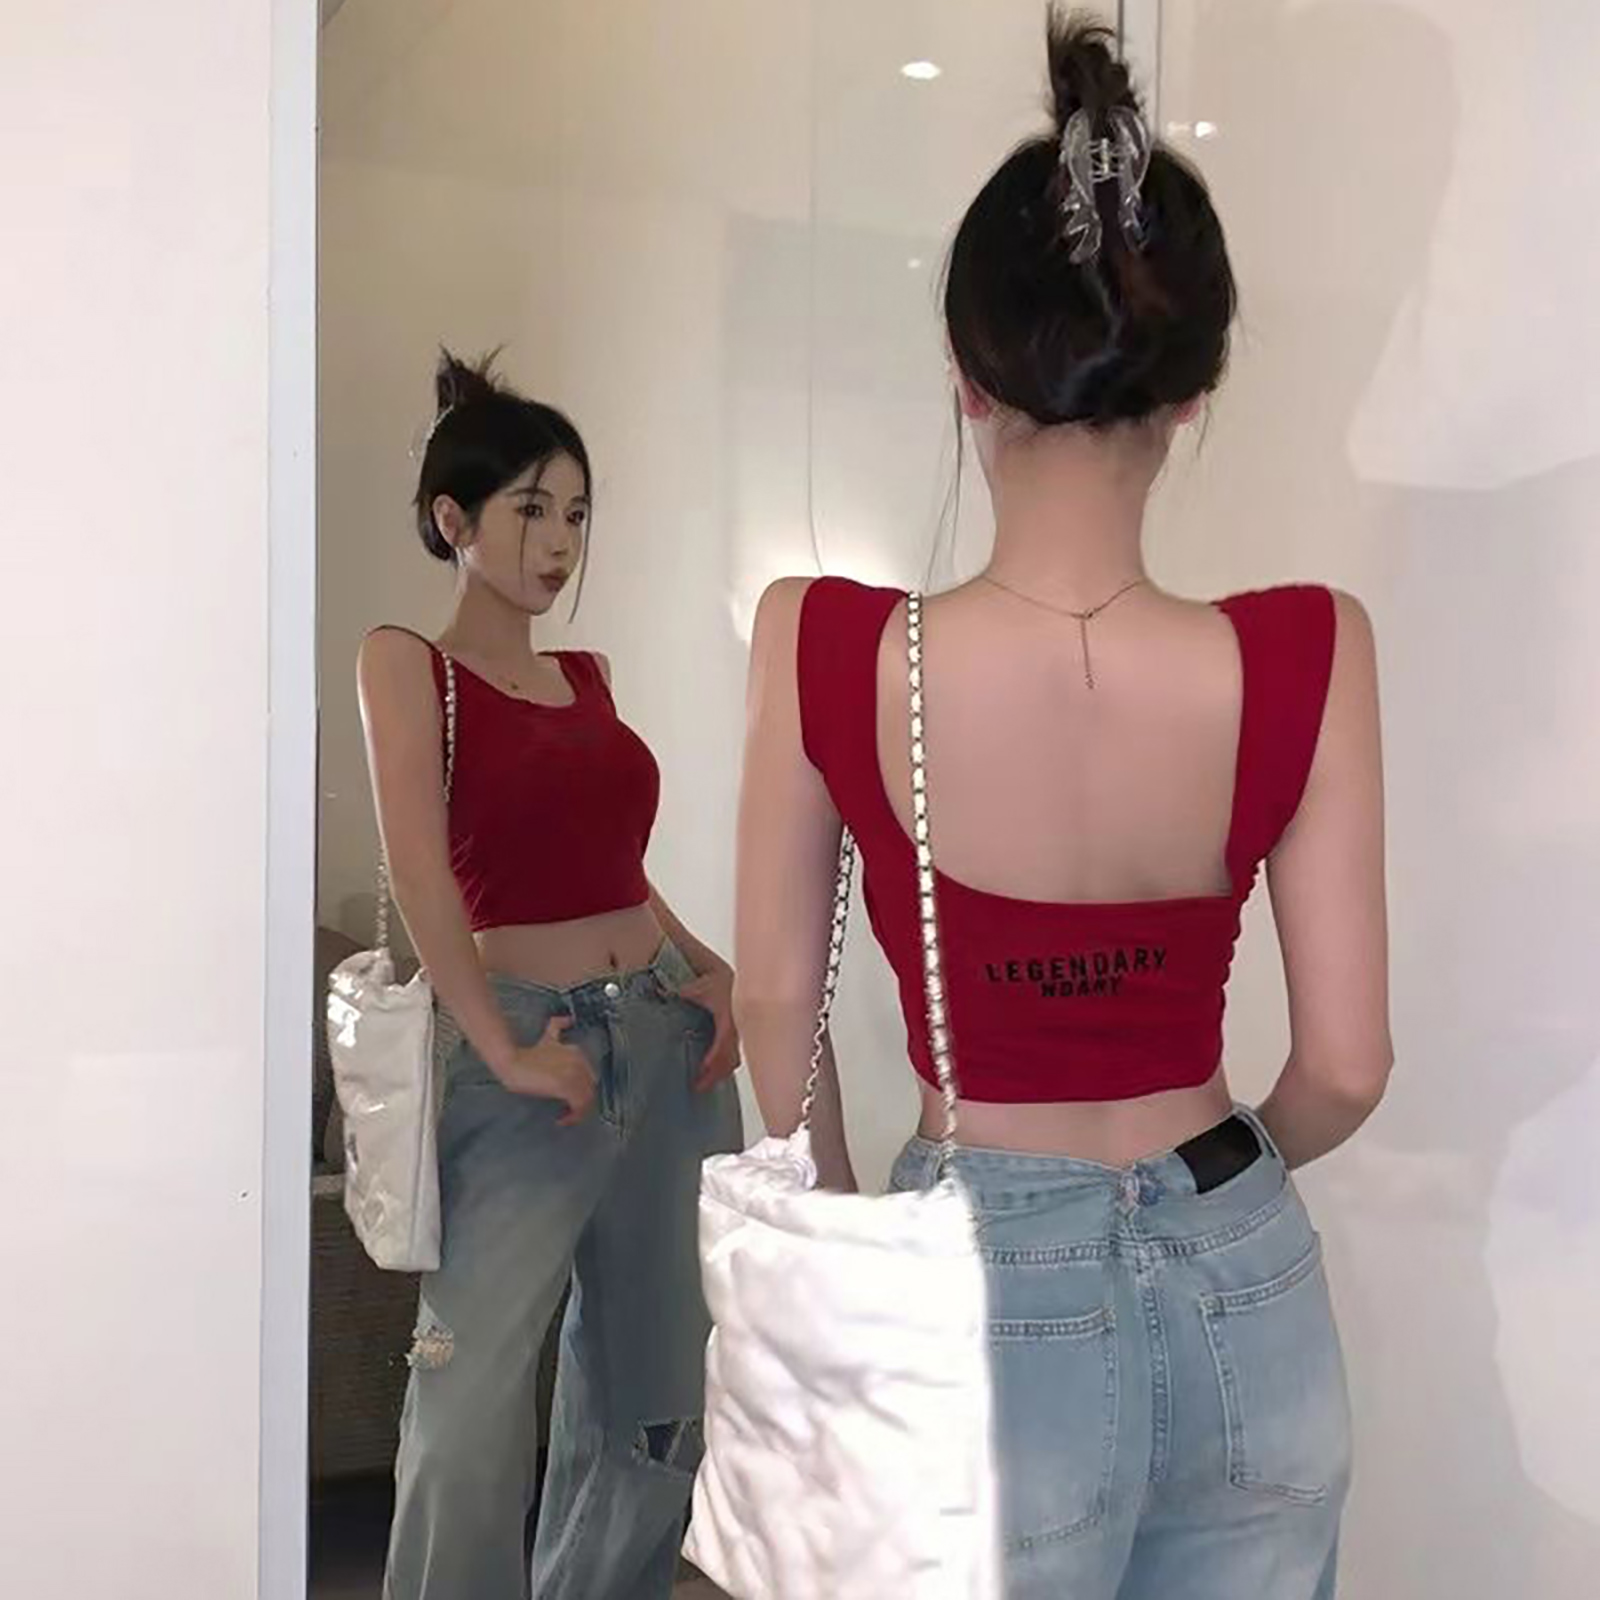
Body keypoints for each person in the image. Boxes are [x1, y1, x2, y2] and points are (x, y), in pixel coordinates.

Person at [733, 15, 1389, 1600]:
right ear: (1195, 390)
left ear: (967, 381)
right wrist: (1210, 1185)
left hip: (974, 1286)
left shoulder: (827, 646)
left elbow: (773, 1010)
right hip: (1245, 1278)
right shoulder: (1308, 651)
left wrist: (853, 1242)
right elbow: (1347, 1068)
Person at [360, 351, 743, 1600]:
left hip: (663, 1039)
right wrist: (503, 1046)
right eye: (530, 509)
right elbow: (422, 873)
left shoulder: (589, 678)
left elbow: (616, 865)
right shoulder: (406, 665)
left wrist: (709, 968)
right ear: (452, 519)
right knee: (465, 1405)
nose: (560, 540)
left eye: (576, 512)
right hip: (524, 1045)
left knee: (657, 1399)